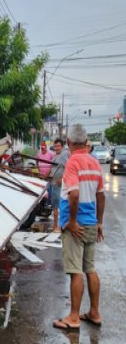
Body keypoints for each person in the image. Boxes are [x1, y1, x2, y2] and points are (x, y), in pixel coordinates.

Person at [53, 124, 104, 331]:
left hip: (76, 226)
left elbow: (73, 194)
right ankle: (94, 312)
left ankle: (74, 317)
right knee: (90, 269)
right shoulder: (94, 162)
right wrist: (99, 222)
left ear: (68, 143)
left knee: (76, 272)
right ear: (86, 143)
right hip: (91, 222)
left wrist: (72, 222)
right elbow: (100, 195)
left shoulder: (73, 162)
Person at [49, 139, 69, 233]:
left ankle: (58, 226)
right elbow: (52, 168)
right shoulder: (55, 156)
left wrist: (62, 179)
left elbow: (68, 168)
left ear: (62, 146)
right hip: (53, 183)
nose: (56, 148)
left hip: (58, 184)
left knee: (57, 206)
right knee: (55, 206)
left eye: (58, 146)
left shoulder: (64, 155)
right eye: (55, 146)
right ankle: (57, 226)